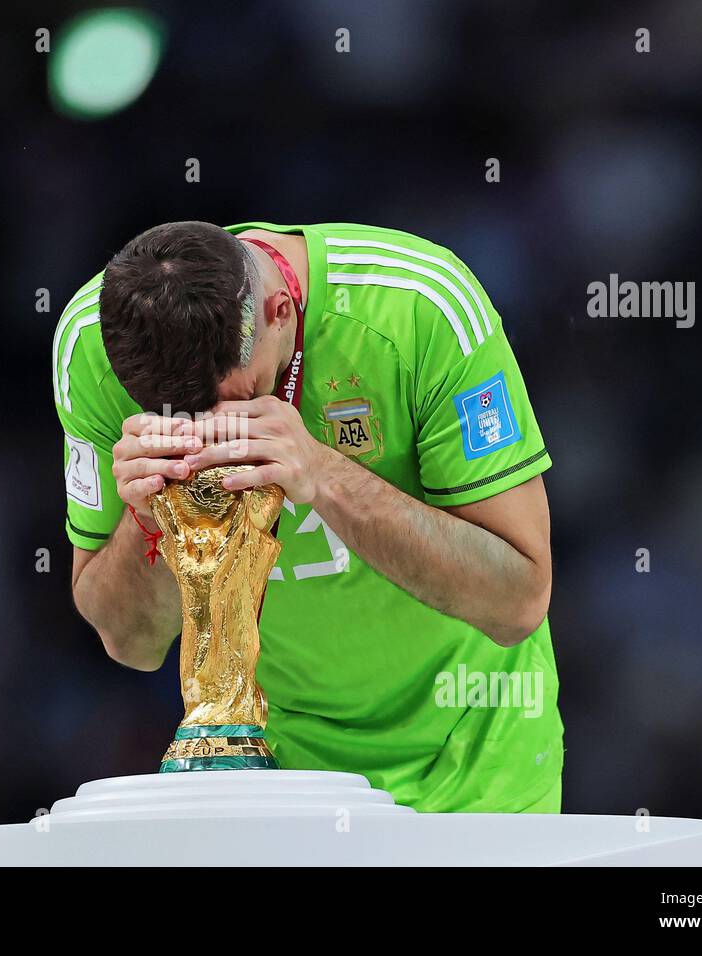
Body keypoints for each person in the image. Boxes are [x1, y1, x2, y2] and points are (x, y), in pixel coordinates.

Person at [52, 220, 562, 811]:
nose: (217, 434)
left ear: (281, 312)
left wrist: (324, 474)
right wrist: (150, 518)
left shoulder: (419, 307)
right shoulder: (89, 347)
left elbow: (518, 599)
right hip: (282, 776)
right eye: (183, 418)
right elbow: (130, 643)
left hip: (475, 763)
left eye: (238, 402)